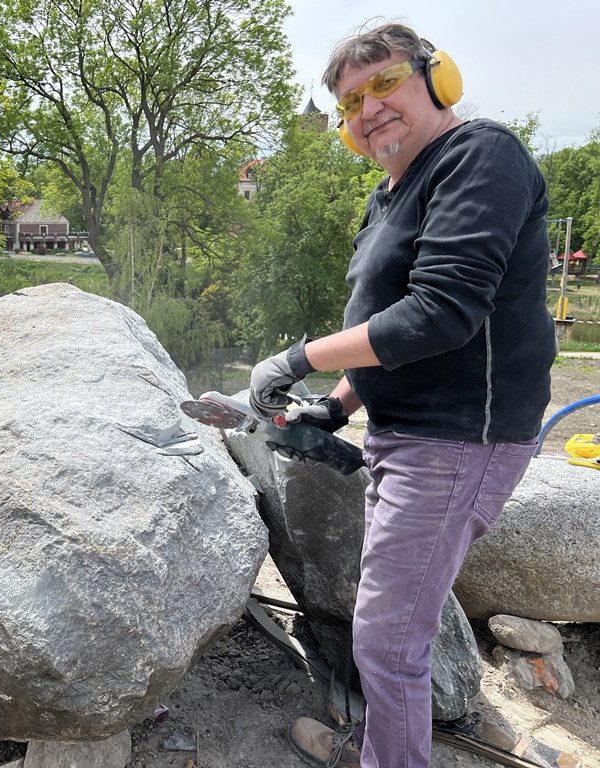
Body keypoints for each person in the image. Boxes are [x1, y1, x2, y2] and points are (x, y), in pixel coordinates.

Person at [247, 23, 554, 768]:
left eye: (384, 83)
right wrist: (340, 405)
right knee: (386, 634)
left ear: (435, 76)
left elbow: (440, 314)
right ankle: (382, 745)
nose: (369, 108)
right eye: (352, 101)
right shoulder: (389, 194)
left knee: (388, 642)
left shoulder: (479, 157)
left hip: (457, 441)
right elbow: (385, 327)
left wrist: (294, 359)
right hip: (410, 433)